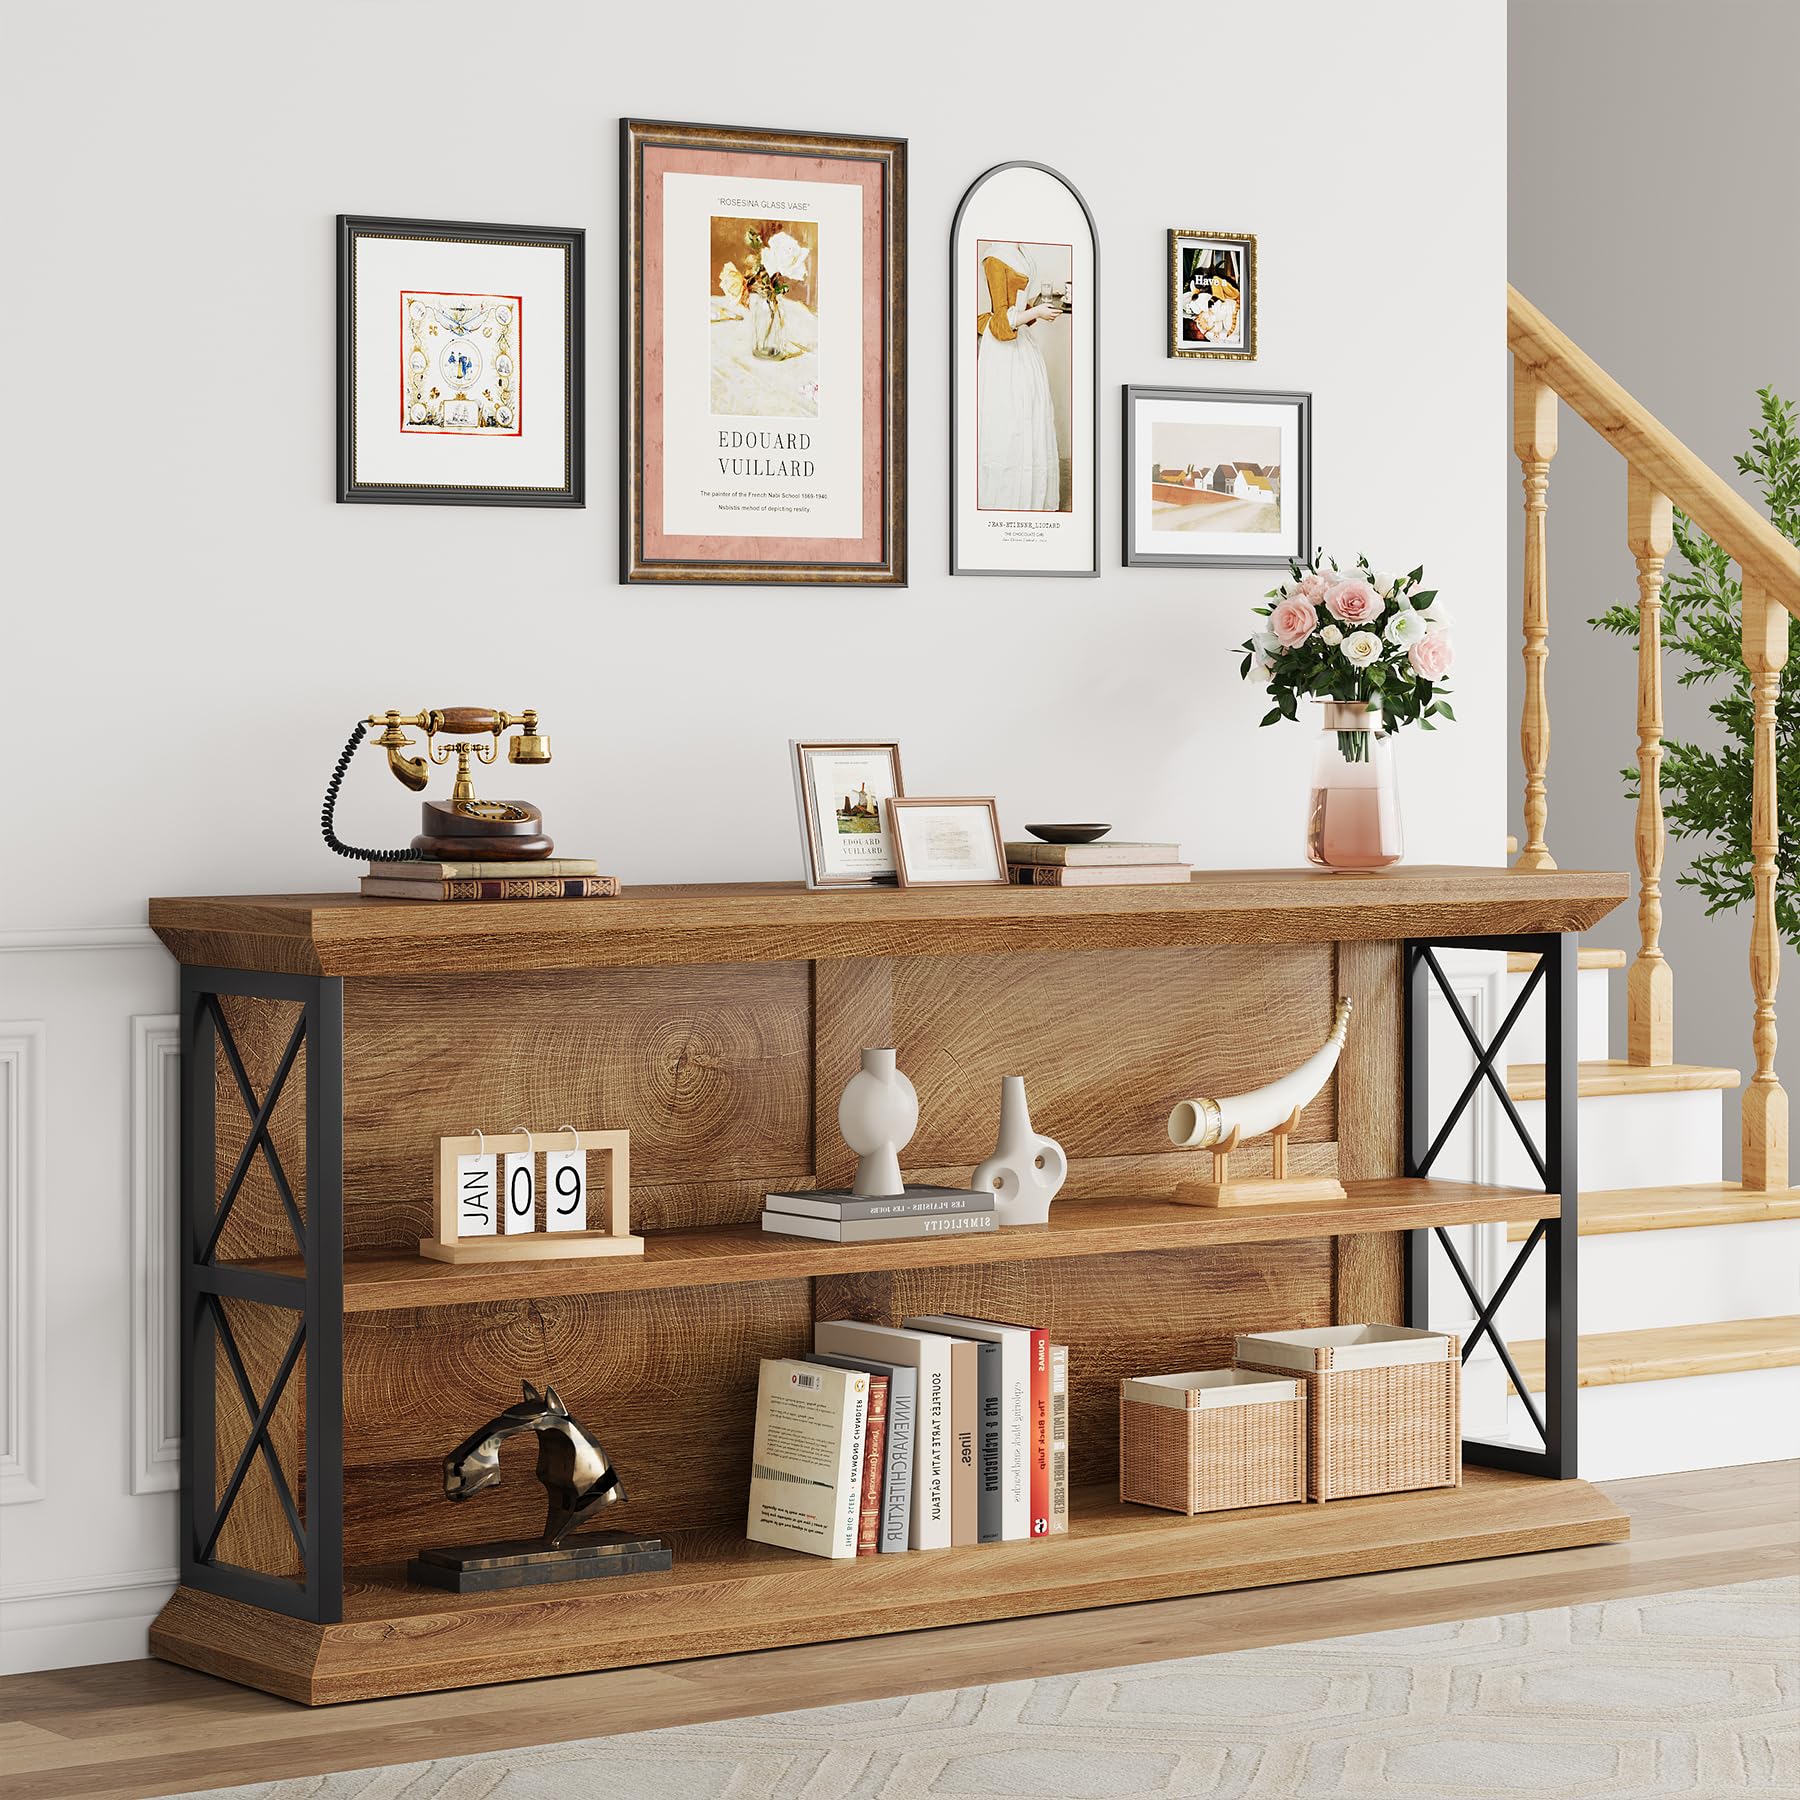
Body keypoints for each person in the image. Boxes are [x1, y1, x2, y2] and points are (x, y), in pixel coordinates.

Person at [976, 243, 1063, 510]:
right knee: (1009, 416)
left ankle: (1031, 496)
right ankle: (1006, 498)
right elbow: (1001, 323)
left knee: (1031, 412)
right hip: (1003, 351)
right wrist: (1037, 312)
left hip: (1023, 345)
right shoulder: (994, 257)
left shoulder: (1022, 251)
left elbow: (1019, 310)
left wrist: (1043, 303)